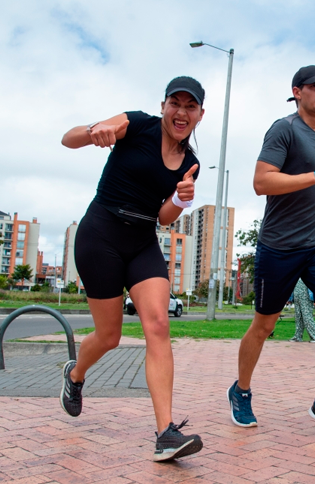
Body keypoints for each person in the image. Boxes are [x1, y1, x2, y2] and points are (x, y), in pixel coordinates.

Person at [60, 76, 206, 462]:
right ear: (163, 107)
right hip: (101, 234)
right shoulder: (136, 123)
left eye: (190, 106)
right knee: (108, 336)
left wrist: (179, 197)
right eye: (175, 103)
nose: (181, 112)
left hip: (142, 239)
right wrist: (96, 131)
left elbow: (163, 217)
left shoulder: (190, 164)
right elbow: (67, 139)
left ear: (200, 115)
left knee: (158, 324)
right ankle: (75, 374)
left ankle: (166, 434)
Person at [227, 65, 315, 436]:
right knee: (264, 325)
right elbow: (261, 182)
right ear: (297, 91)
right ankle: (240, 391)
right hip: (278, 245)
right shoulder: (283, 129)